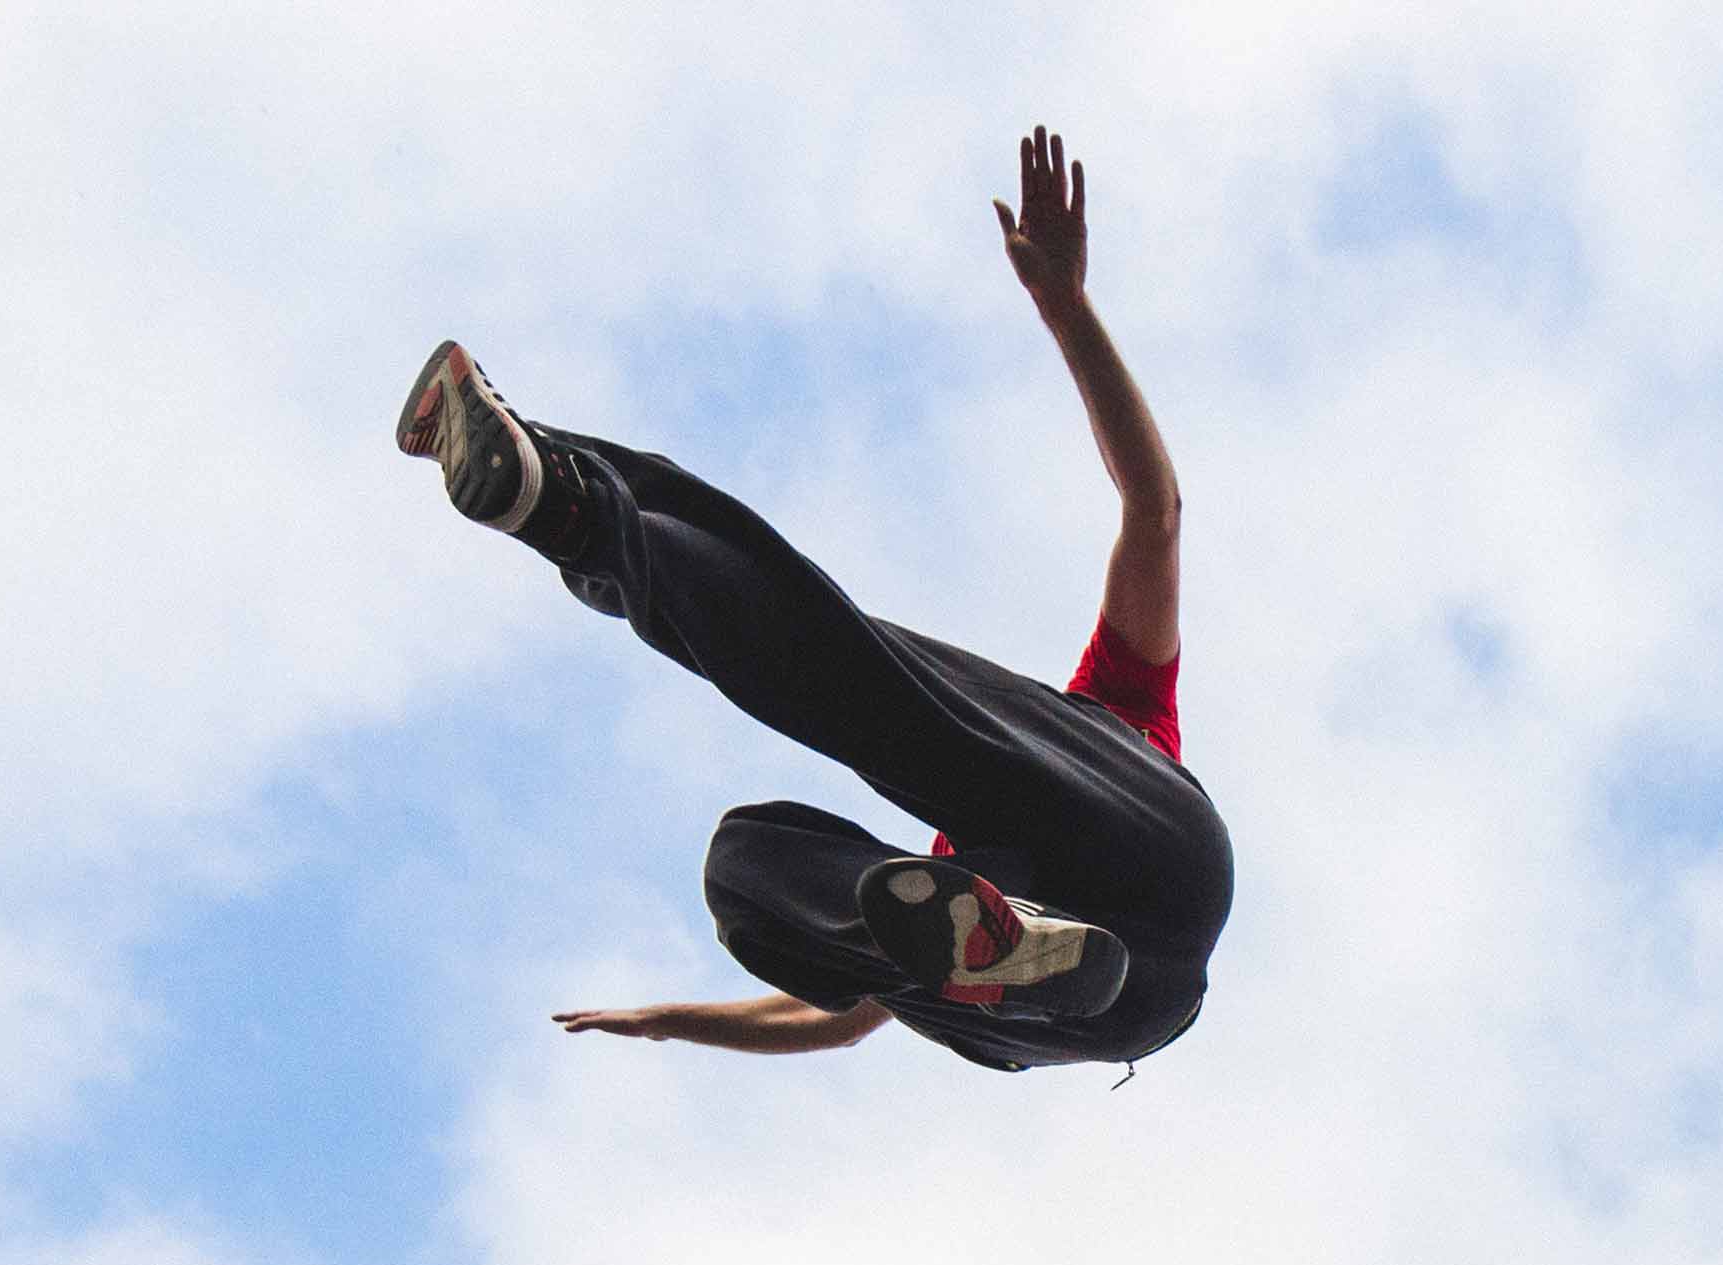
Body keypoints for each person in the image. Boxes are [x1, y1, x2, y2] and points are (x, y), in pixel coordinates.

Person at [395, 126, 1230, 1072]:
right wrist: (679, 1020)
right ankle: (558, 498)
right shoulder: (950, 897)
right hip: (1088, 998)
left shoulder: (1114, 715)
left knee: (863, 684)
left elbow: (1152, 512)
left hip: (1161, 879)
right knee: (742, 869)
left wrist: (1068, 310)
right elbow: (830, 1017)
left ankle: (572, 497)